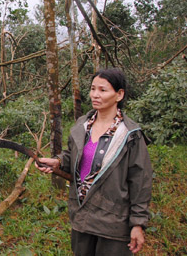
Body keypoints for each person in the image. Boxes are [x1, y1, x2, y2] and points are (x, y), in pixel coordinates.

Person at [37, 68, 152, 255]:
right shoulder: (83, 125)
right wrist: (58, 162)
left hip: (113, 223)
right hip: (82, 217)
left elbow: (141, 182)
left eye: (103, 90)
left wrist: (138, 224)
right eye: (92, 89)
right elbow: (73, 157)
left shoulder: (130, 136)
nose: (95, 95)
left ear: (119, 94)